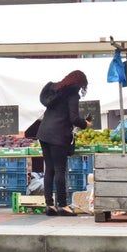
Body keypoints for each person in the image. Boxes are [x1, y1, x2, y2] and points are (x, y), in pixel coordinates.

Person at [36, 70, 92, 217]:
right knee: (60, 170)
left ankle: (49, 205)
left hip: (43, 132)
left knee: (49, 169)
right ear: (79, 83)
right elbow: (74, 118)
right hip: (58, 134)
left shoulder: (54, 89)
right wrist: (85, 123)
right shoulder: (72, 94)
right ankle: (63, 205)